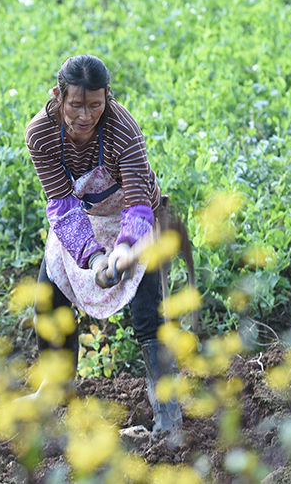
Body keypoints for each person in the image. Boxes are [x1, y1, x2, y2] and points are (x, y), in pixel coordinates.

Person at [24, 54, 182, 441]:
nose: (84, 115)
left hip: (137, 220)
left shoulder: (122, 130)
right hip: (81, 220)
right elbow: (61, 203)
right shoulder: (41, 133)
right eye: (75, 105)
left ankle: (168, 414)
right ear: (59, 97)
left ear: (107, 98)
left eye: (95, 105)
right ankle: (56, 387)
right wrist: (93, 257)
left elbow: (138, 202)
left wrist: (126, 249)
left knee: (149, 316)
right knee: (49, 296)